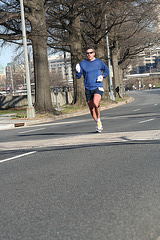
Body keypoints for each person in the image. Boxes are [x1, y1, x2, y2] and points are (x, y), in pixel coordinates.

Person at [76, 47, 109, 132]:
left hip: (97, 86)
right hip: (88, 87)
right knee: (91, 108)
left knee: (95, 102)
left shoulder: (99, 62)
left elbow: (106, 71)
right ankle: (98, 123)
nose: (89, 54)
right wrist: (77, 71)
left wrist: (102, 76)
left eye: (90, 53)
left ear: (94, 53)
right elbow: (78, 76)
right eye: (87, 53)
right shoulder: (83, 63)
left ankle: (98, 119)